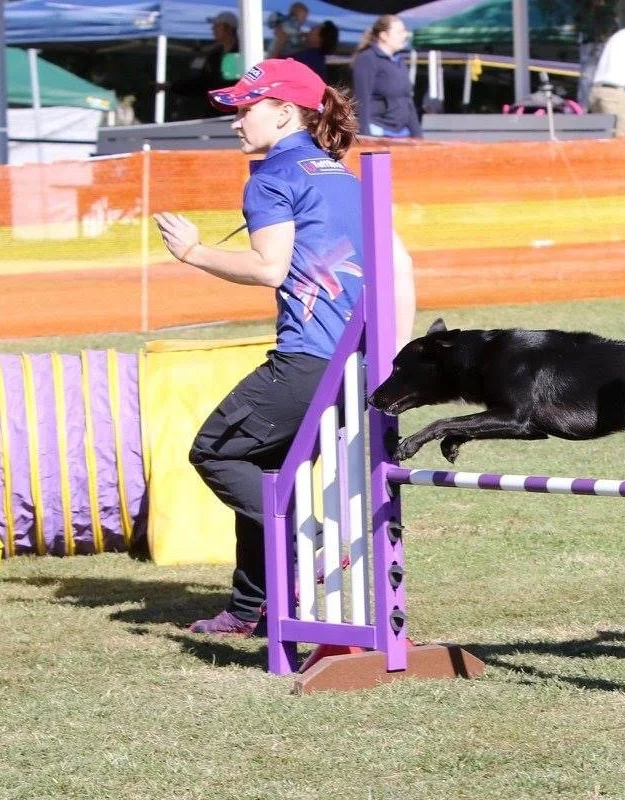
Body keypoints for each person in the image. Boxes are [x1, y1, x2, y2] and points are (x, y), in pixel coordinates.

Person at [152, 58, 416, 635]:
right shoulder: (340, 176)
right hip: (359, 361)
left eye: (246, 109)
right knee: (266, 467)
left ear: (284, 111)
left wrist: (193, 253)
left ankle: (302, 547)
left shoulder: (272, 177)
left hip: (308, 360)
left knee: (216, 452)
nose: (235, 121)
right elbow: (399, 262)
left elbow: (269, 268)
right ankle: (252, 608)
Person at [158, 11, 241, 118]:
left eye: (217, 26)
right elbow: (203, 82)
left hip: (236, 114)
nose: (212, 29)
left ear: (228, 28)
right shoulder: (214, 55)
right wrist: (172, 86)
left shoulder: (243, 52)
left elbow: (231, 83)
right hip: (215, 114)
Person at [351, 15, 422, 139]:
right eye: (400, 32)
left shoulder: (399, 61)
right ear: (383, 36)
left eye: (405, 31)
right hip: (378, 132)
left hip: (401, 133)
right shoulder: (367, 59)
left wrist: (417, 135)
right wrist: (365, 135)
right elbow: (362, 99)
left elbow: (407, 100)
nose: (405, 35)